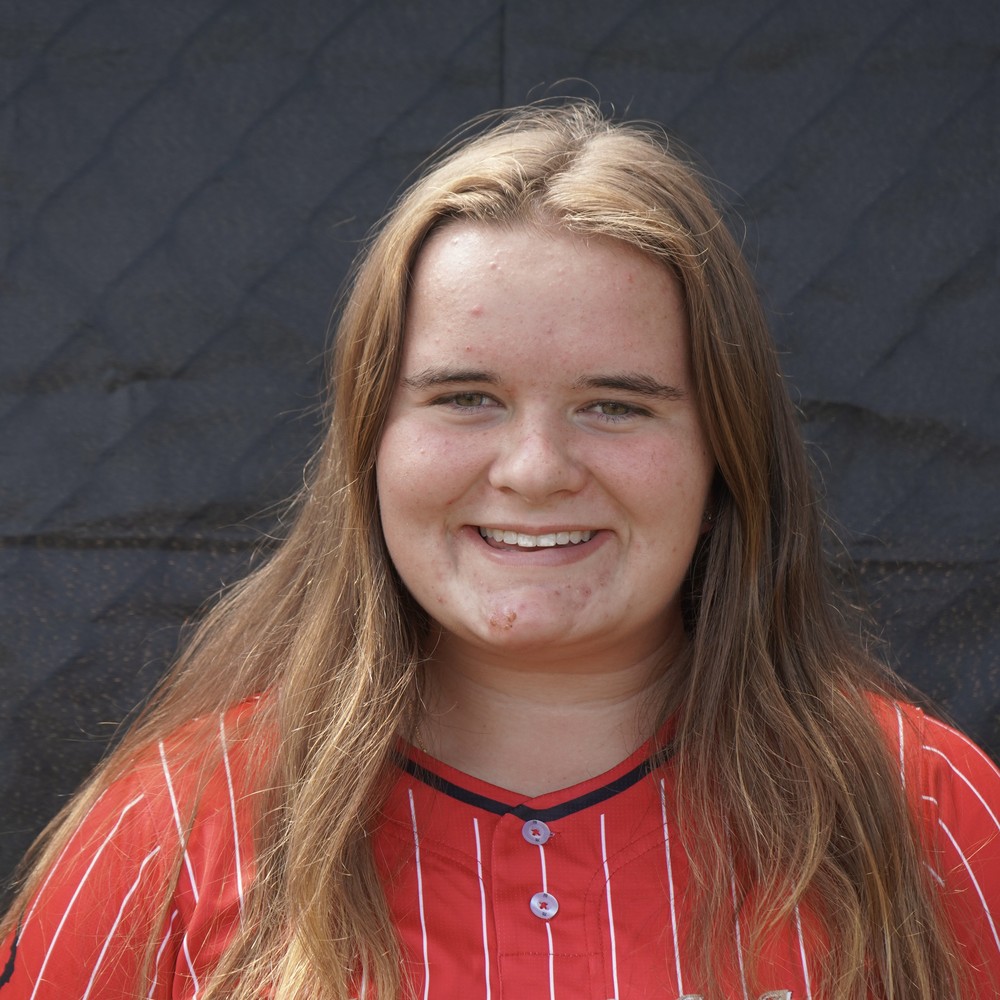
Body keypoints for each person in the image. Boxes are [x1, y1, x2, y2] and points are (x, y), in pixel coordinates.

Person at [1, 101, 998, 1000]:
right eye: (465, 397)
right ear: (369, 442)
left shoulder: (927, 808)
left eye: (616, 405)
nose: (534, 469)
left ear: (724, 453)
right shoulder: (171, 830)